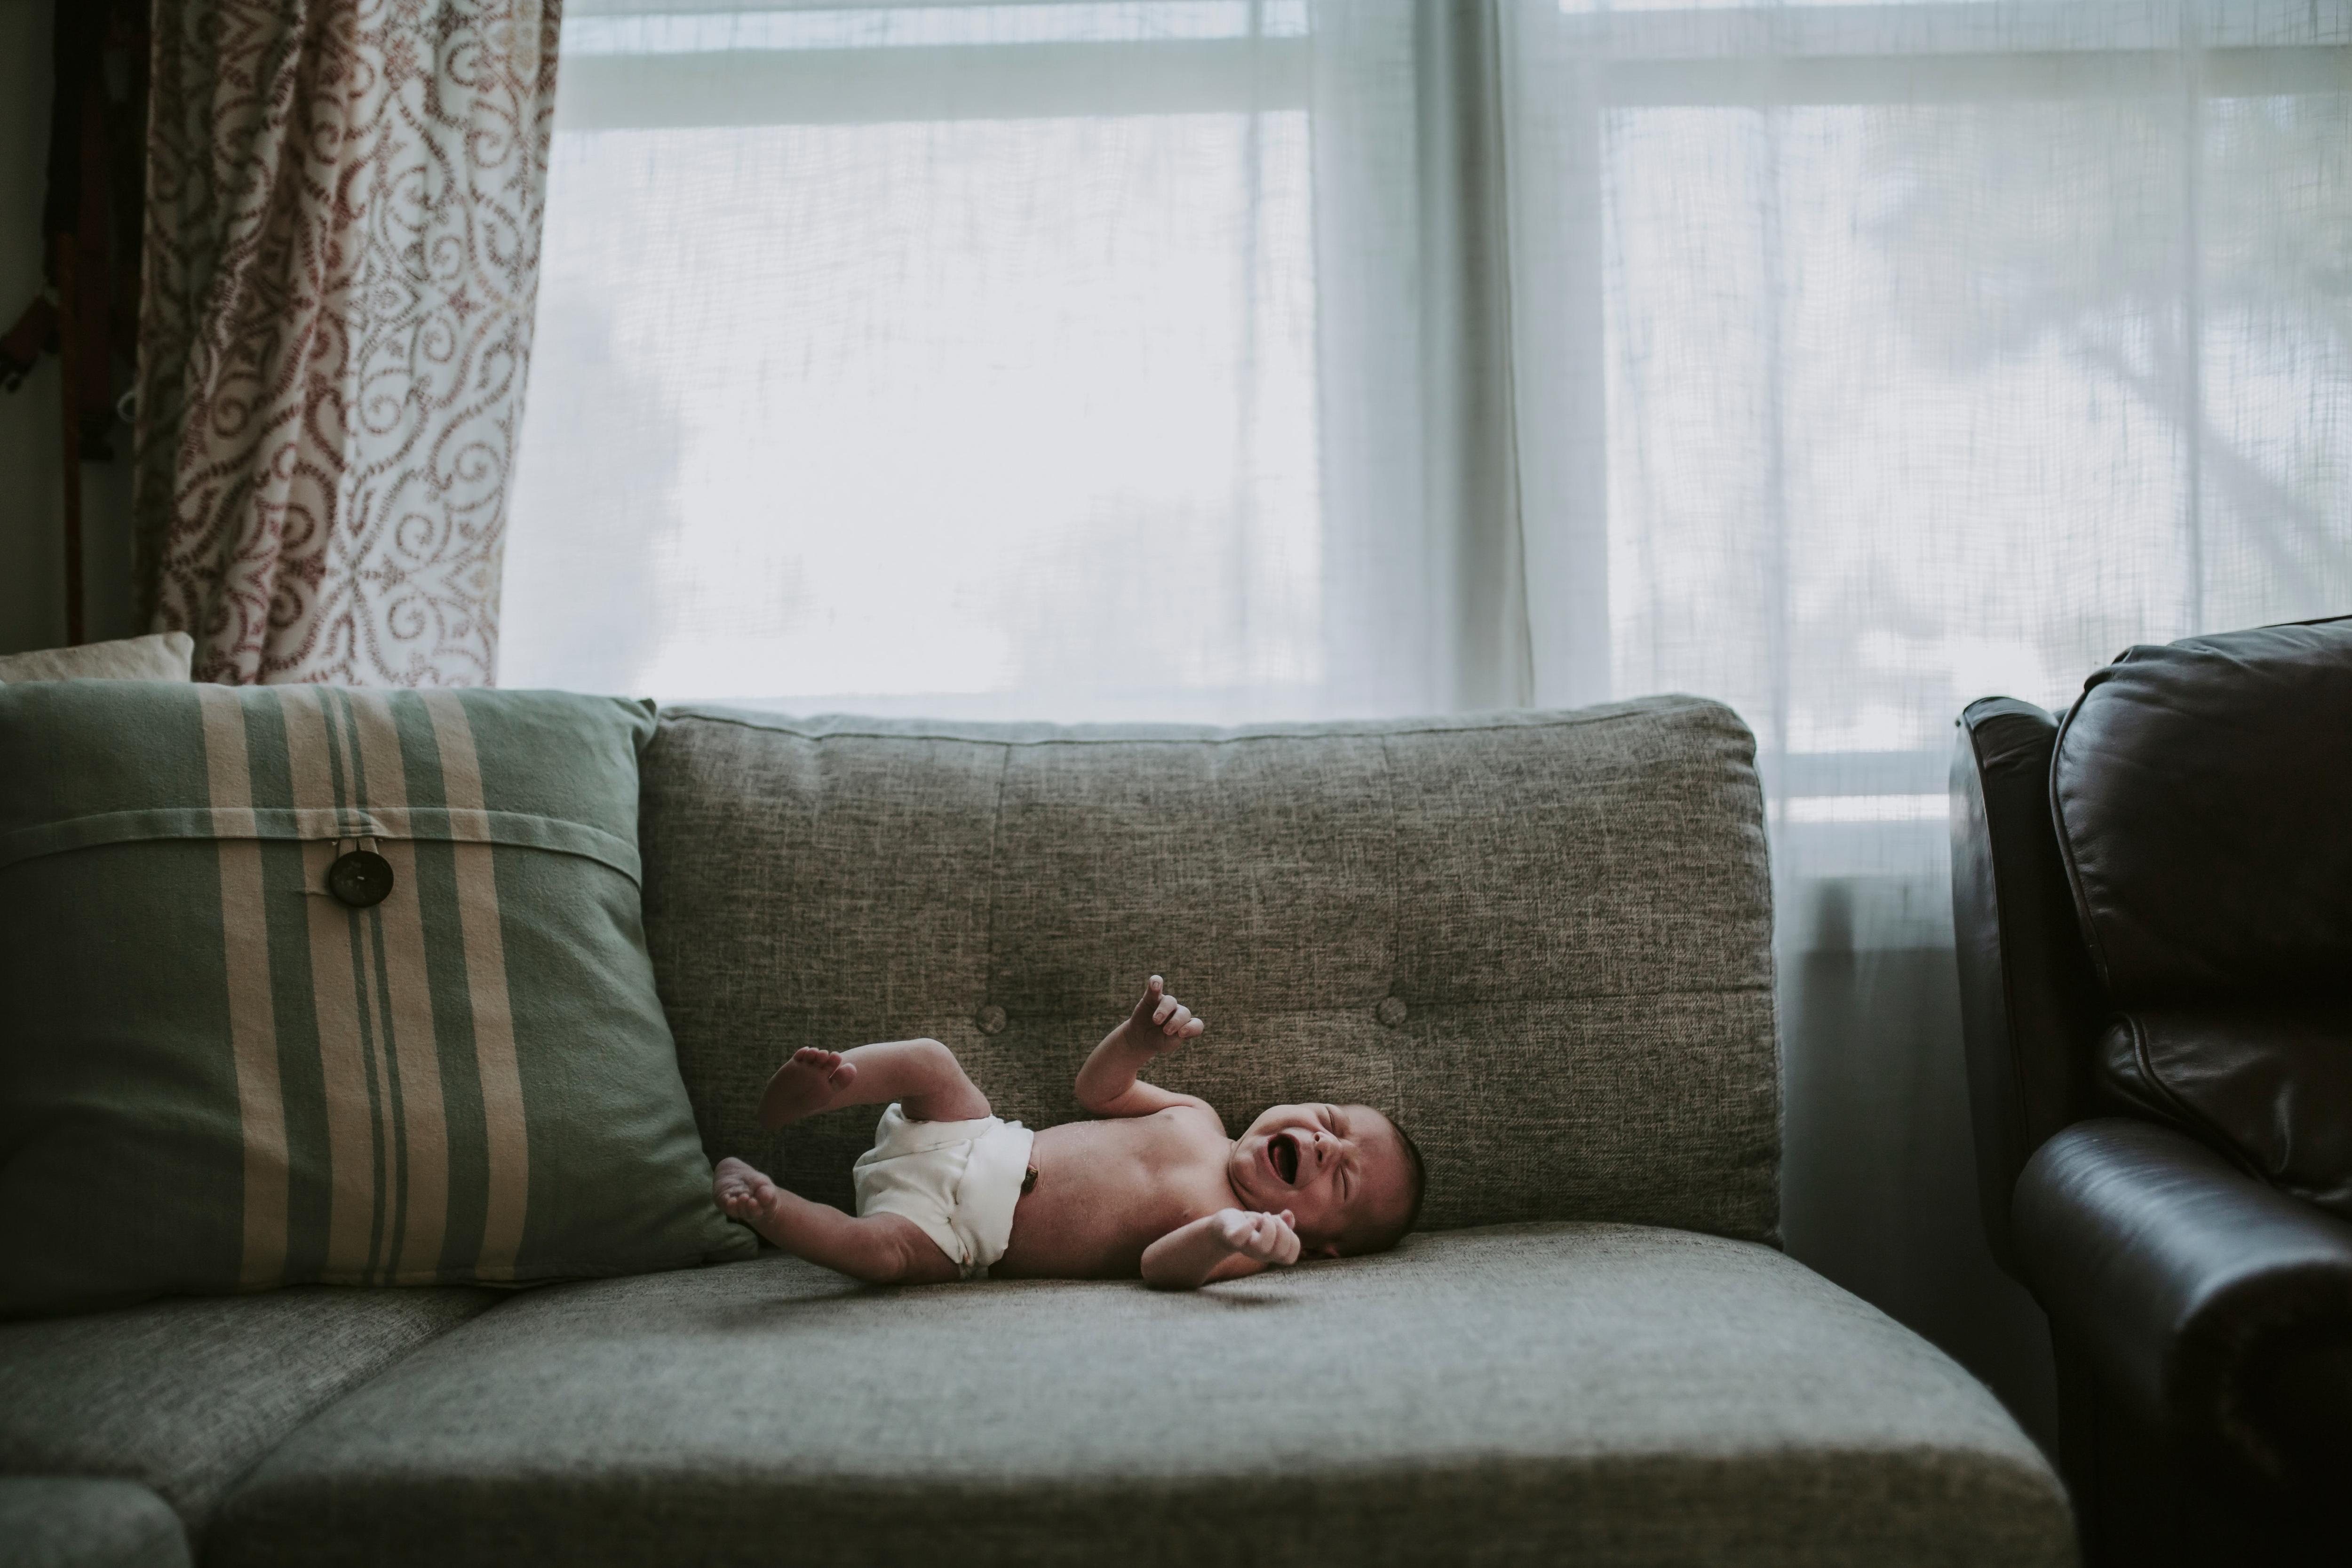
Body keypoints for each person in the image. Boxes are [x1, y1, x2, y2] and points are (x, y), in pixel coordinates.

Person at [714, 976, 1424, 1290]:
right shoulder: (1197, 1115)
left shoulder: (1238, 1230)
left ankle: (776, 1209)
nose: (1328, 1146)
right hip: (977, 1138)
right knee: (931, 1060)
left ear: (1326, 1244)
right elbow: (1098, 1091)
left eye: (1344, 1176)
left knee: (880, 1257)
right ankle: (811, 1092)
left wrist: (1231, 1237)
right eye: (1331, 1123)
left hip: (957, 1233)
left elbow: (1159, 1267)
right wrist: (1137, 1039)